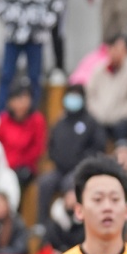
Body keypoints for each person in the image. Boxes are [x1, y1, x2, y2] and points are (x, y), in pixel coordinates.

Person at [37, 84, 105, 223]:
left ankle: (72, 224)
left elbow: (98, 148)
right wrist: (57, 159)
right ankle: (42, 224)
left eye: (76, 95)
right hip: (59, 169)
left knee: (69, 183)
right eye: (70, 95)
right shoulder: (60, 122)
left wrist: (81, 161)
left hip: (80, 169)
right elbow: (51, 146)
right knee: (45, 183)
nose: (73, 99)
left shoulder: (91, 122)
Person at [86, 35, 127, 143]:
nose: (116, 53)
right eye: (113, 49)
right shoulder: (99, 69)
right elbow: (91, 96)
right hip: (102, 117)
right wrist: (100, 114)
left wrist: (114, 115)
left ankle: (123, 151)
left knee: (122, 127)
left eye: (119, 49)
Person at [0, 80, 47, 189]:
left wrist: (18, 162)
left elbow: (38, 147)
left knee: (14, 180)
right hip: (4, 165)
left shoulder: (37, 120)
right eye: (18, 98)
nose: (22, 103)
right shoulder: (4, 119)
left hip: (25, 167)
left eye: (26, 98)